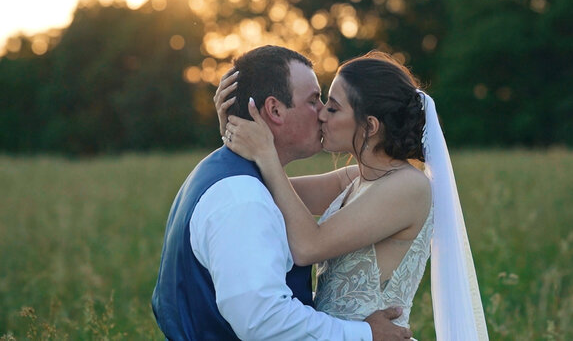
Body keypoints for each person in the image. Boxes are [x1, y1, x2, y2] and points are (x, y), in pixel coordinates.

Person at [217, 51, 489, 340]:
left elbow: (309, 246)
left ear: (370, 126)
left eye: (333, 108)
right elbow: (262, 191)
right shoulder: (355, 179)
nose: (321, 113)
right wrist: (235, 128)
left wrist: (266, 154)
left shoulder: (409, 187)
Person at [151, 45, 412, 340]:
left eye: (330, 105)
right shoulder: (243, 198)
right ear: (275, 110)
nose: (322, 113)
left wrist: (237, 137)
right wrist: (363, 334)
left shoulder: (229, 176)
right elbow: (264, 320)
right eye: (314, 100)